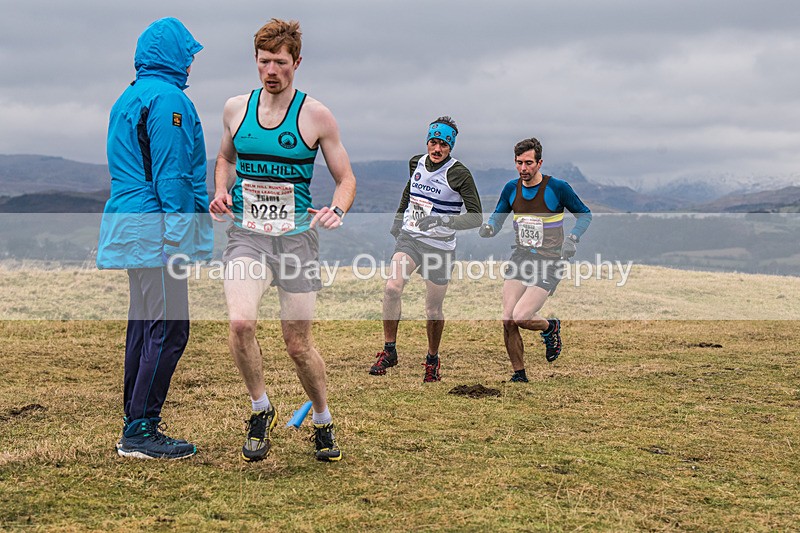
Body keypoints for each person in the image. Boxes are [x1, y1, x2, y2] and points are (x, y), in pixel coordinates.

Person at [209, 19, 356, 463]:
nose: (271, 70)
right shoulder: (236, 108)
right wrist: (220, 189)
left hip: (295, 242)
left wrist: (337, 208)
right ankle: (260, 408)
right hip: (247, 237)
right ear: (255, 61)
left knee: (297, 345)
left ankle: (323, 419)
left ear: (297, 62)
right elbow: (224, 158)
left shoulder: (316, 116)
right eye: (264, 61)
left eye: (280, 62)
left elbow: (346, 178)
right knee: (240, 323)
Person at [97, 18, 213, 459]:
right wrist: (181, 237)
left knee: (145, 325)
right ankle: (141, 429)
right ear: (174, 55)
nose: (191, 62)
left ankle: (134, 420)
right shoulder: (168, 100)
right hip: (158, 232)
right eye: (188, 54)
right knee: (170, 328)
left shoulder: (128, 97)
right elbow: (174, 176)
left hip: (131, 228)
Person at [369, 117, 482, 382]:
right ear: (427, 141)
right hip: (411, 238)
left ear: (450, 147)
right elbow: (410, 191)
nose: (437, 148)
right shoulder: (416, 163)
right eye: (433, 142)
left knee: (432, 310)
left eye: (443, 144)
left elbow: (476, 217)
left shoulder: (459, 174)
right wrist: (398, 221)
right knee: (392, 288)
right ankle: (389, 350)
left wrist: (443, 220)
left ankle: (432, 359)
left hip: (440, 247)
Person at [479, 137, 591, 382]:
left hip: (550, 261)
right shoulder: (511, 188)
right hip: (521, 257)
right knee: (508, 319)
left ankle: (550, 327)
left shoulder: (557, 188)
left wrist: (573, 238)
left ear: (539, 163)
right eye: (519, 163)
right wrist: (489, 228)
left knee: (522, 316)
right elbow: (499, 216)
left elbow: (585, 215)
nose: (523, 169)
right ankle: (519, 375)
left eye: (528, 163)